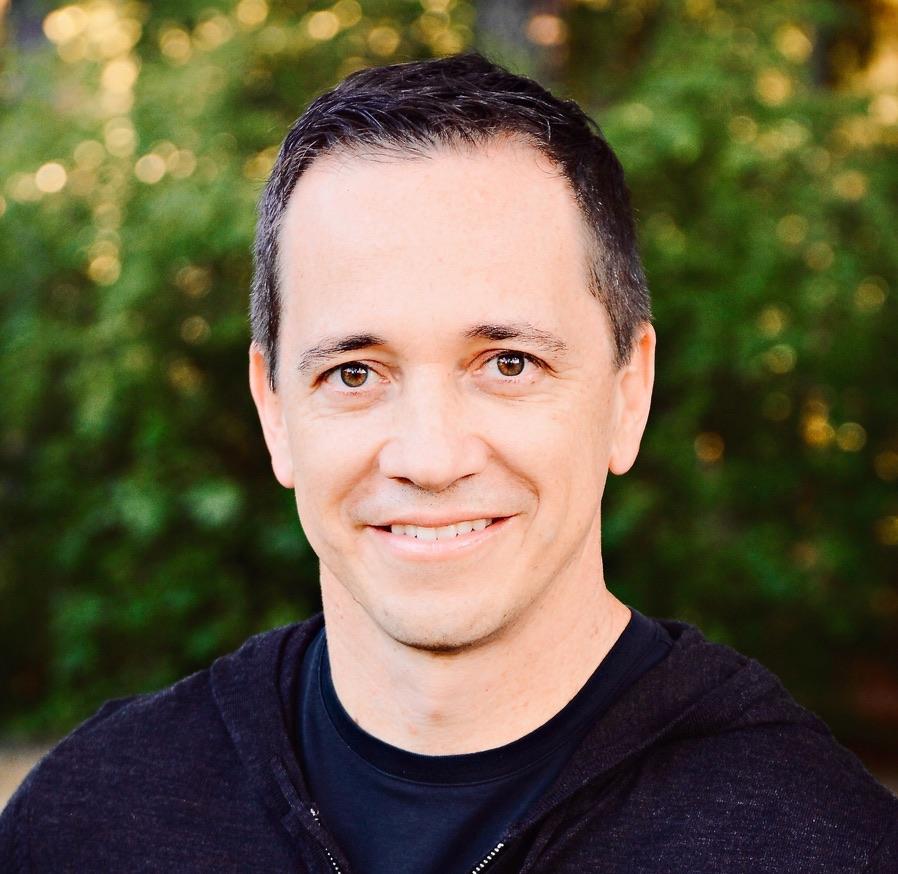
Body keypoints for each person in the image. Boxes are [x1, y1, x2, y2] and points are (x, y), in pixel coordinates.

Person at [2, 52, 896, 873]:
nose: (430, 458)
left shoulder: (811, 844)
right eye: (355, 372)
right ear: (274, 408)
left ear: (629, 392)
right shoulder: (92, 822)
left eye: (508, 363)